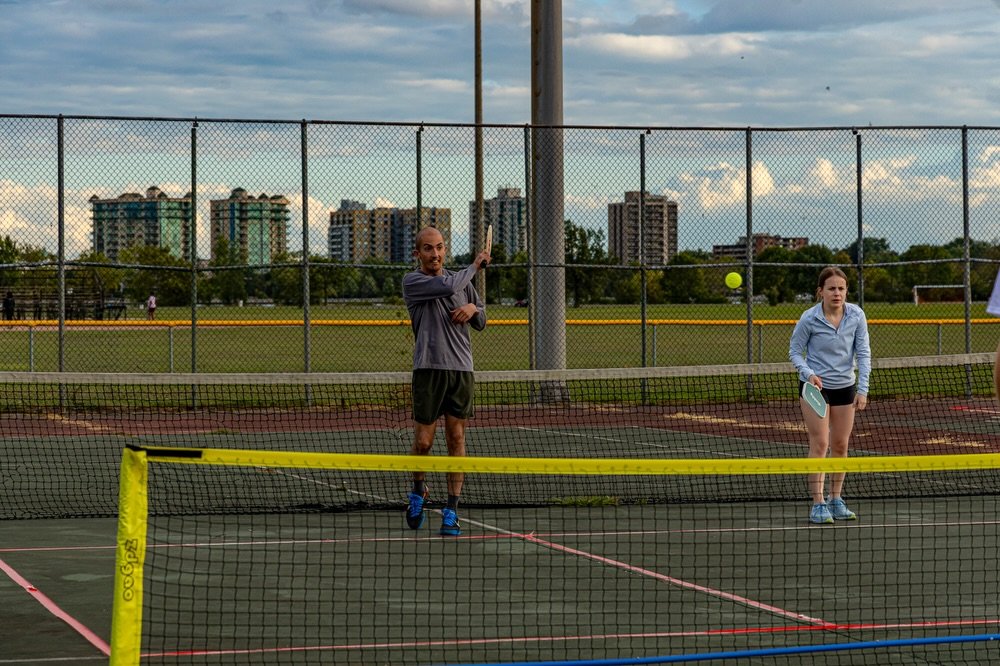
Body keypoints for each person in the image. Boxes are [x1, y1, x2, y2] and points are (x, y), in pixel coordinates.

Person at [401, 226, 490, 536]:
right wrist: (476, 265)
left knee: (456, 440)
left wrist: (473, 307)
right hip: (428, 369)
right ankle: (418, 492)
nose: (435, 254)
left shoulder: (462, 282)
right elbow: (448, 285)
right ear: (418, 253)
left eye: (439, 247)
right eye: (428, 248)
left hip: (461, 370)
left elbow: (482, 320)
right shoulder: (414, 282)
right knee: (424, 442)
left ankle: (451, 510)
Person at [789, 266, 871, 525]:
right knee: (820, 444)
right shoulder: (809, 318)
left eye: (841, 288)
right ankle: (818, 503)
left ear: (846, 291)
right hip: (815, 389)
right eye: (832, 288)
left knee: (841, 445)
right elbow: (794, 352)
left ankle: (836, 499)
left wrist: (863, 388)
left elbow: (864, 353)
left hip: (846, 387)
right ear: (821, 292)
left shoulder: (857, 315)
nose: (837, 293)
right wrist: (808, 373)